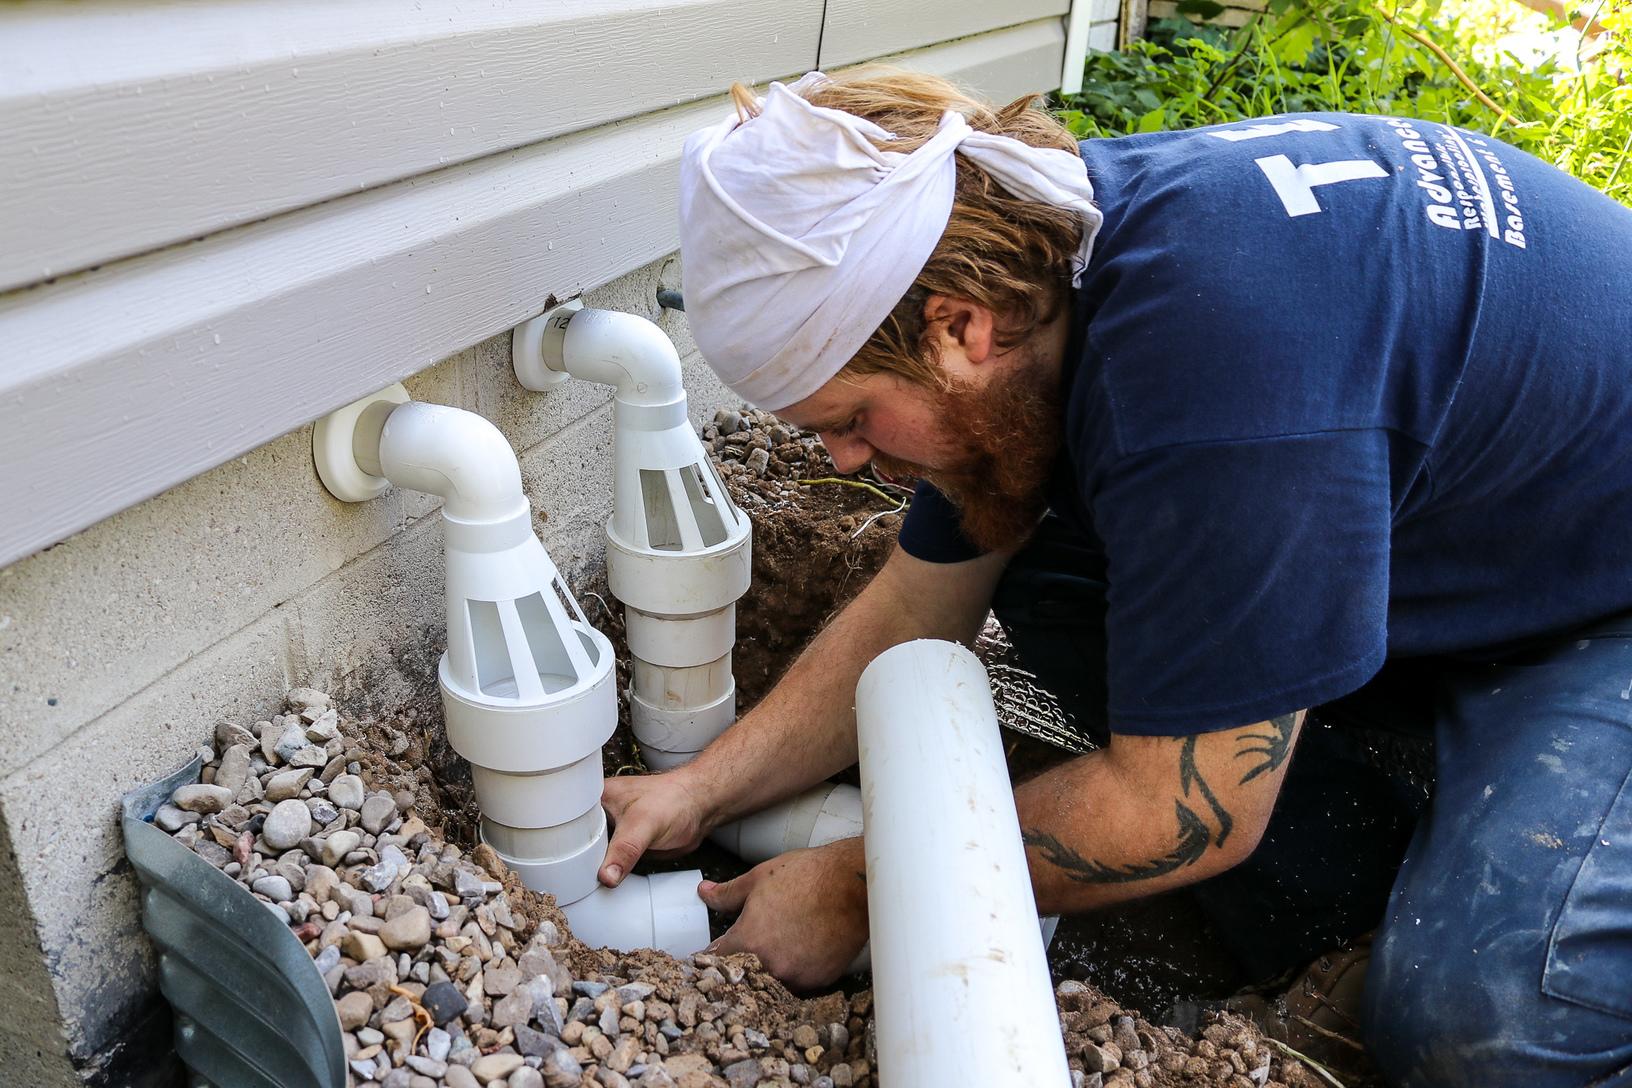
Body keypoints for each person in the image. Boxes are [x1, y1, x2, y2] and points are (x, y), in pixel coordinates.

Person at [597, 68, 1632, 1088]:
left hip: (1604, 614)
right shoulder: (1067, 258)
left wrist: (861, 886)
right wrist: (701, 785)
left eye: (850, 418)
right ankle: (1362, 889)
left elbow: (1192, 801)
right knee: (1040, 549)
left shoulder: (1215, 382)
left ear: (958, 327)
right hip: (1506, 529)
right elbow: (922, 601)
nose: (844, 462)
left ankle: (1461, 893)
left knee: (1487, 1019)